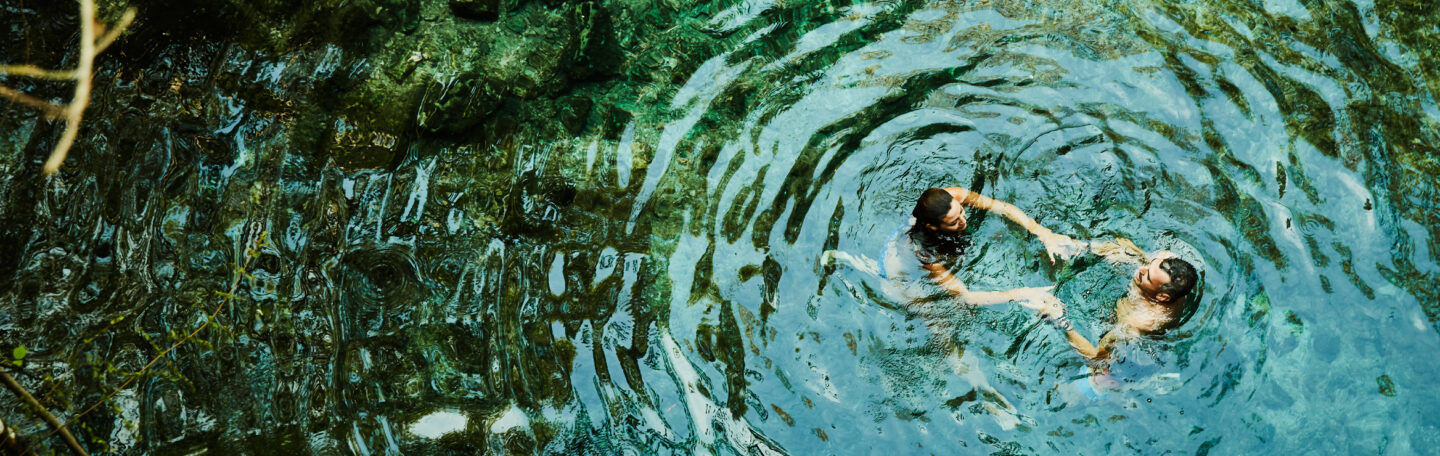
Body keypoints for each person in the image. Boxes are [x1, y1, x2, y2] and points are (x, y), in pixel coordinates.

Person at [1037, 238, 1199, 395]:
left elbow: (1096, 358)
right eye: (1150, 264)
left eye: (1147, 276)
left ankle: (1115, 390)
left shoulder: (1138, 322)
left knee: (1081, 387)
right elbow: (1132, 251)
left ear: (1162, 297)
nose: (1141, 269)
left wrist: (1060, 319)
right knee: (1125, 250)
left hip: (1130, 358)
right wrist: (1081, 246)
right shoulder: (1170, 266)